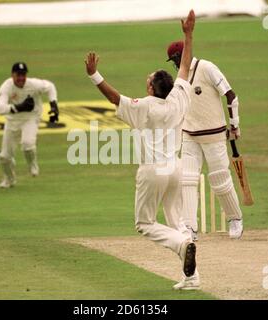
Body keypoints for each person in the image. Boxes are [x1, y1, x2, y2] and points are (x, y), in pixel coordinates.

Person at [85, 10, 200, 290]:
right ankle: (192, 277)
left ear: (151, 89)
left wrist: (93, 74)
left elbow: (114, 97)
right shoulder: (178, 98)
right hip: (175, 168)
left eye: (147, 80)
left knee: (145, 223)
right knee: (176, 219)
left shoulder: (145, 106)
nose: (145, 81)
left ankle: (183, 244)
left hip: (153, 171)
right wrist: (188, 35)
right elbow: (184, 67)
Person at [166, 40, 243, 241]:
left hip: (214, 135)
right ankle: (190, 227)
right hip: (190, 136)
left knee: (220, 180)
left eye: (177, 58)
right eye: (174, 60)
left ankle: (235, 218)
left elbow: (231, 96)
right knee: (187, 179)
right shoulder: (180, 78)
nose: (176, 62)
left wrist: (235, 125)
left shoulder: (207, 68)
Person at [0, 62, 59, 188]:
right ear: (12, 75)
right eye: (18, 75)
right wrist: (19, 107)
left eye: (23, 75)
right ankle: (9, 179)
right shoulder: (7, 86)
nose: (21, 78)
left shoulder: (33, 84)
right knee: (4, 157)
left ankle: (32, 165)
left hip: (30, 118)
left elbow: (50, 87)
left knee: (27, 144)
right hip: (12, 121)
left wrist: (54, 105)